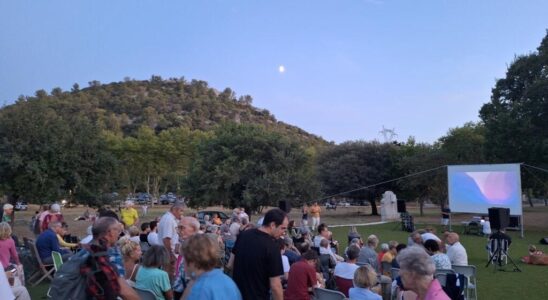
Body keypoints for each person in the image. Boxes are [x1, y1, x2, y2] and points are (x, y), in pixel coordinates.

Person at [229, 208, 288, 300]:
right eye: (283, 228)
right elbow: (275, 286)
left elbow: (230, 264)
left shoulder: (243, 235)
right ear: (272, 225)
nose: (283, 232)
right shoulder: (273, 247)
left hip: (236, 295)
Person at [84, 216, 139, 300]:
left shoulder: (84, 250)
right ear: (110, 232)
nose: (119, 234)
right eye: (118, 230)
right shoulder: (105, 254)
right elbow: (123, 291)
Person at [181, 234, 242, 300]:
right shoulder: (228, 281)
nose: (183, 263)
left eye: (184, 259)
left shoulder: (199, 289)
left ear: (192, 260)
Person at [173, 216, 201, 300]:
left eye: (182, 228)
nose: (179, 231)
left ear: (194, 229)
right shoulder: (186, 244)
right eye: (178, 228)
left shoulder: (198, 247)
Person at [158, 202, 184, 279]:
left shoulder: (170, 218)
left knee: (170, 275)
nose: (182, 213)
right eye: (181, 211)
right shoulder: (168, 219)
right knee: (169, 275)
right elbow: (166, 238)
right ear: (174, 210)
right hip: (168, 253)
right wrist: (170, 254)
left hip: (170, 252)